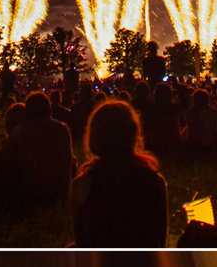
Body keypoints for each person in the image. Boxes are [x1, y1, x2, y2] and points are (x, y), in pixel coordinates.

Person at [70, 101, 168, 247]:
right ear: (133, 133)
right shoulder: (155, 182)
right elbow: (160, 240)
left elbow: (81, 241)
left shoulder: (82, 186)